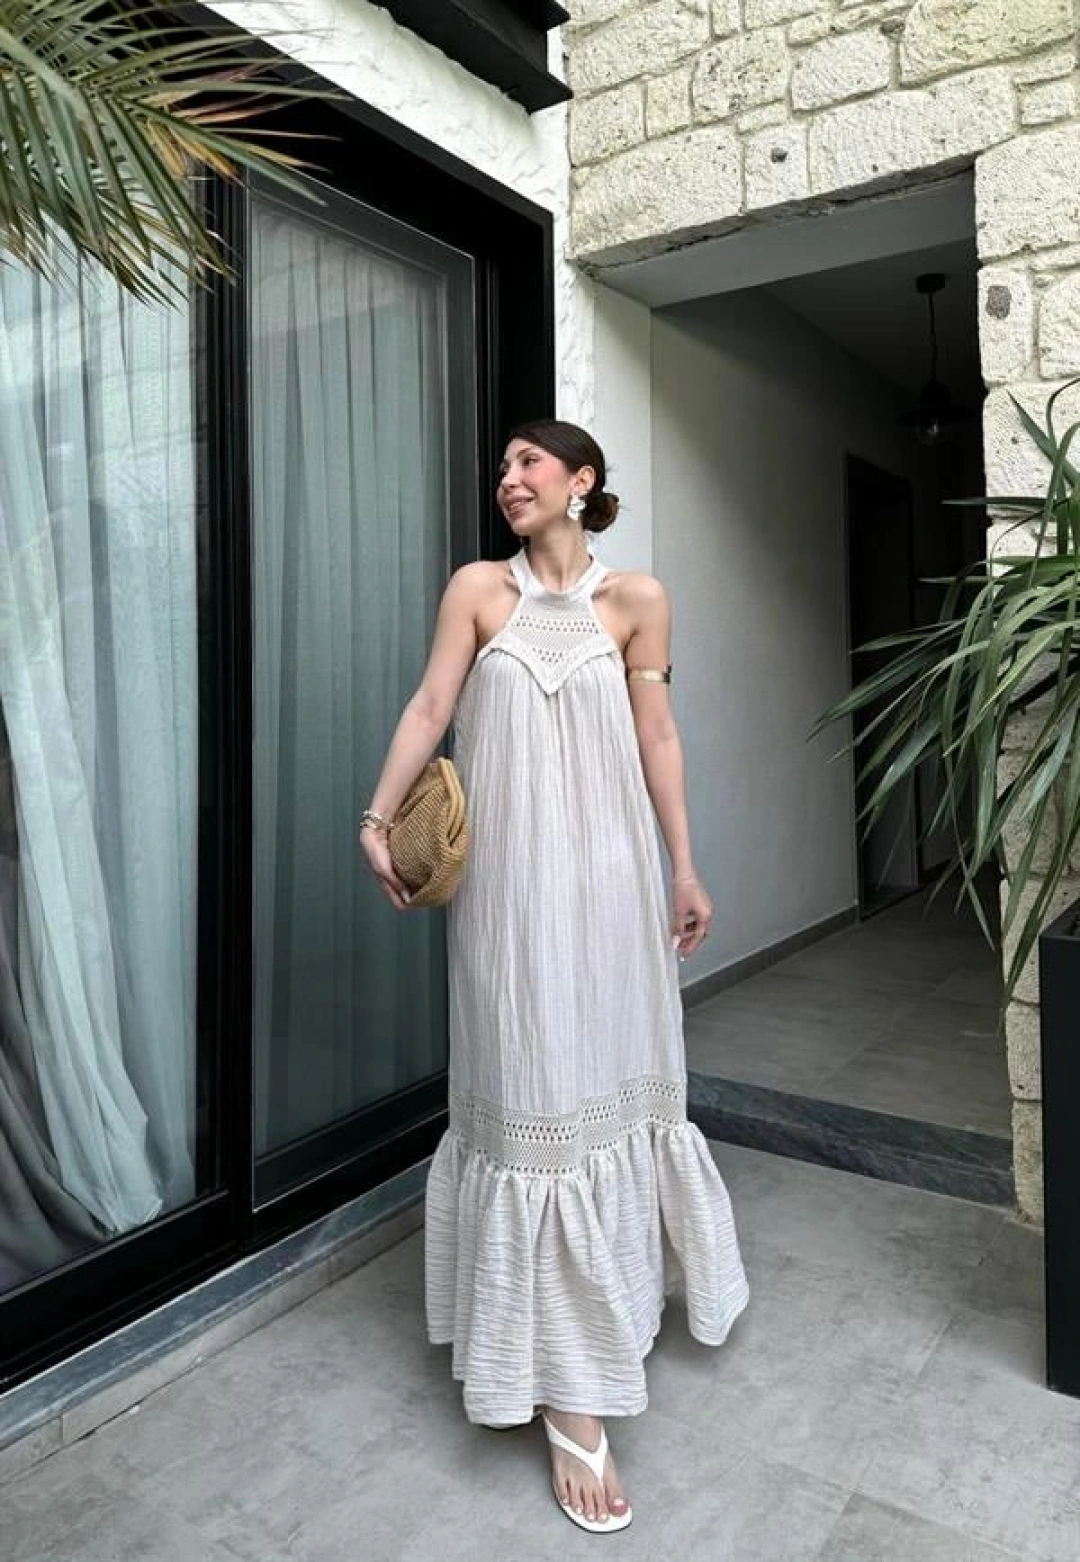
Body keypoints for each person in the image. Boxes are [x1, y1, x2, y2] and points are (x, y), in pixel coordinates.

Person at [360, 420, 748, 1534]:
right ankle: (569, 1390)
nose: (509, 478)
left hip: (613, 881)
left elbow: (658, 735)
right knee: (532, 1097)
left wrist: (683, 864)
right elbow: (430, 708)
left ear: (583, 480)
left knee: (608, 1079)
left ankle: (612, 1303)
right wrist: (377, 818)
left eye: (530, 462)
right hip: (509, 894)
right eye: (502, 468)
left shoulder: (638, 600)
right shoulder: (479, 591)